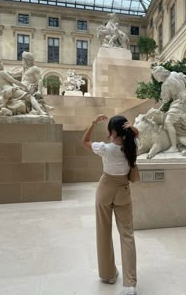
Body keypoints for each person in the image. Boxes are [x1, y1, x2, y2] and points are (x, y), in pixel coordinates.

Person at [82, 115, 139, 295]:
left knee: (103, 232)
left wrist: (92, 123)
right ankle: (130, 285)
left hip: (105, 189)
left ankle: (108, 275)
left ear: (112, 131)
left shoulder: (105, 148)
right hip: (123, 189)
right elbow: (137, 136)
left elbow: (84, 141)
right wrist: (133, 128)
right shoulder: (133, 145)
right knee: (127, 235)